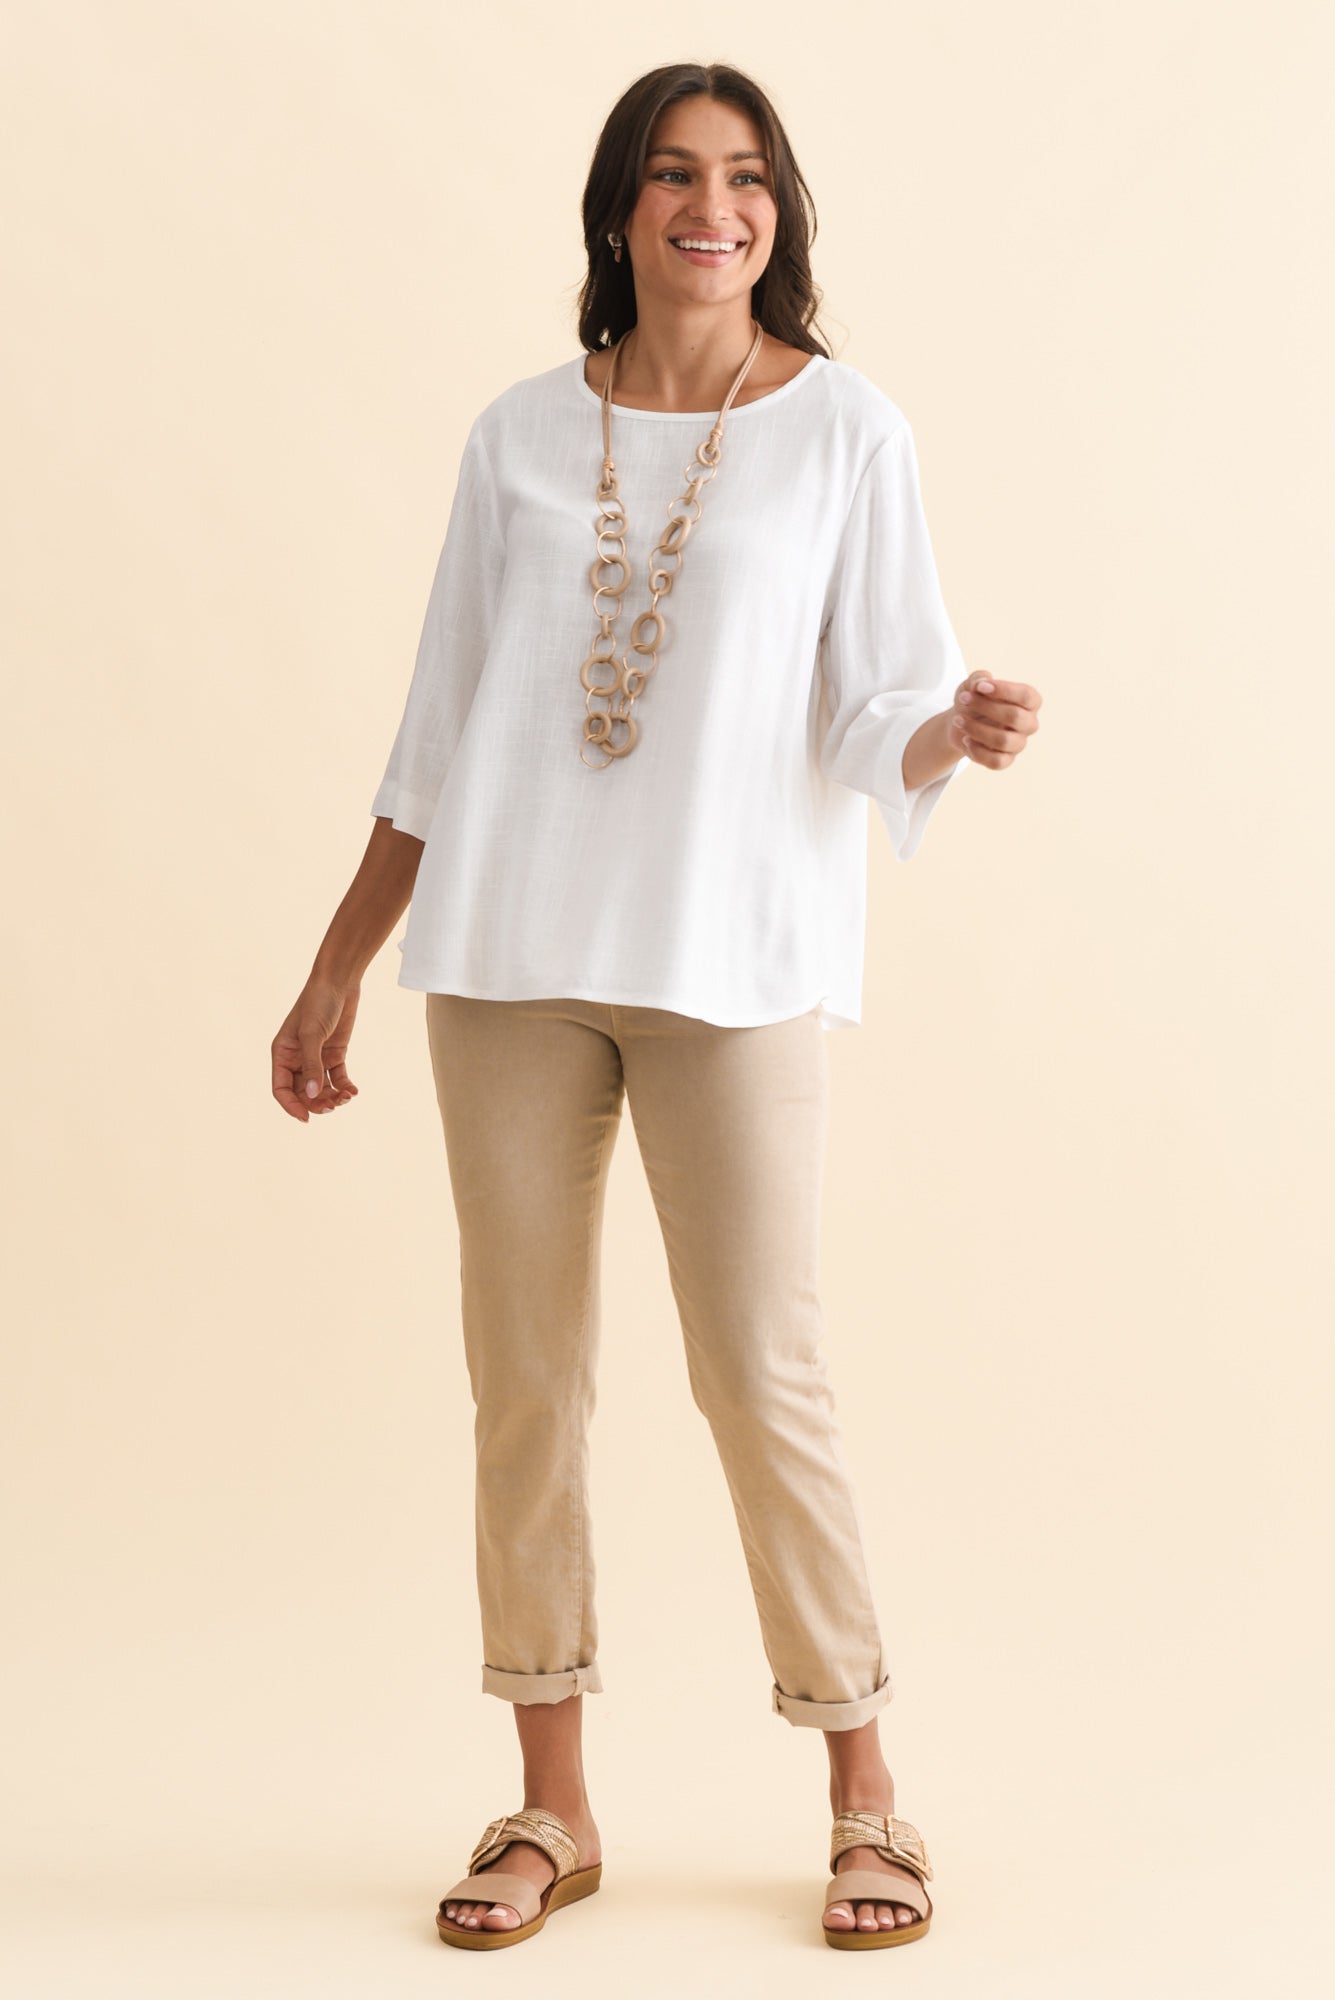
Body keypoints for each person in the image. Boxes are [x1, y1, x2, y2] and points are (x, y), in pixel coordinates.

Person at [271, 60, 1041, 1955]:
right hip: (507, 963)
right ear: (621, 207)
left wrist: (954, 731)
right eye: (679, 175)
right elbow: (442, 723)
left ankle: (865, 1792)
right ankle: (551, 1805)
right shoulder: (522, 434)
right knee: (525, 1383)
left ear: (781, 213)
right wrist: (340, 958)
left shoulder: (848, 429)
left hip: (736, 966)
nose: (717, 207)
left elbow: (877, 707)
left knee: (761, 1370)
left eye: (749, 177)